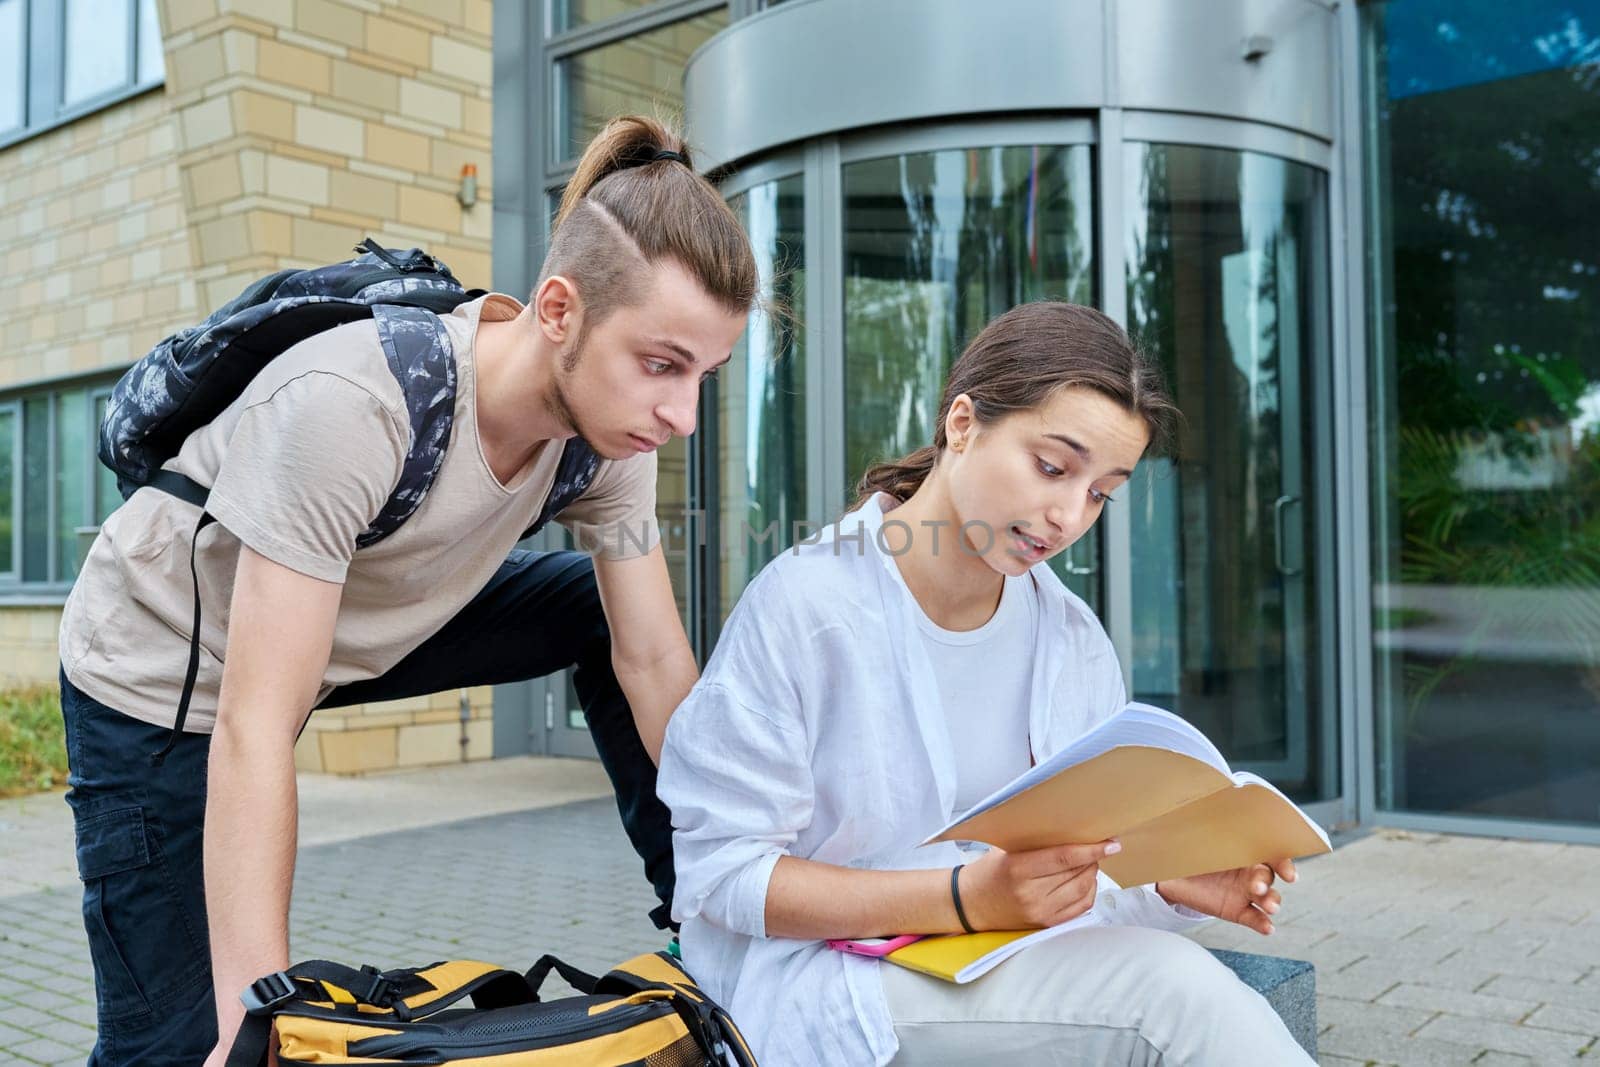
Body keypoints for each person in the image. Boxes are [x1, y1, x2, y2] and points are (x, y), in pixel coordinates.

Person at [57, 115, 757, 1066]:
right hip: (166, 668)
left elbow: (654, 659)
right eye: (662, 364)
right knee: (177, 1047)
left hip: (350, 612)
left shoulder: (609, 449)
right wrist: (263, 1014)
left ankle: (704, 919)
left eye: (706, 374)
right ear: (559, 311)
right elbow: (253, 727)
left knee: (593, 611)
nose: (682, 415)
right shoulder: (355, 408)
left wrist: (744, 877)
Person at [657, 301, 1316, 1065]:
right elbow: (722, 875)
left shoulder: (1070, 640)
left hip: (999, 960)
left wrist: (1167, 882)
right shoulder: (809, 607)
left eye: (1102, 491)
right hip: (828, 980)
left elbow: (1067, 878)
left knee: (1171, 985)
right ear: (962, 424)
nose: (1069, 514)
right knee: (1172, 996)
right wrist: (967, 897)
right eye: (1052, 466)